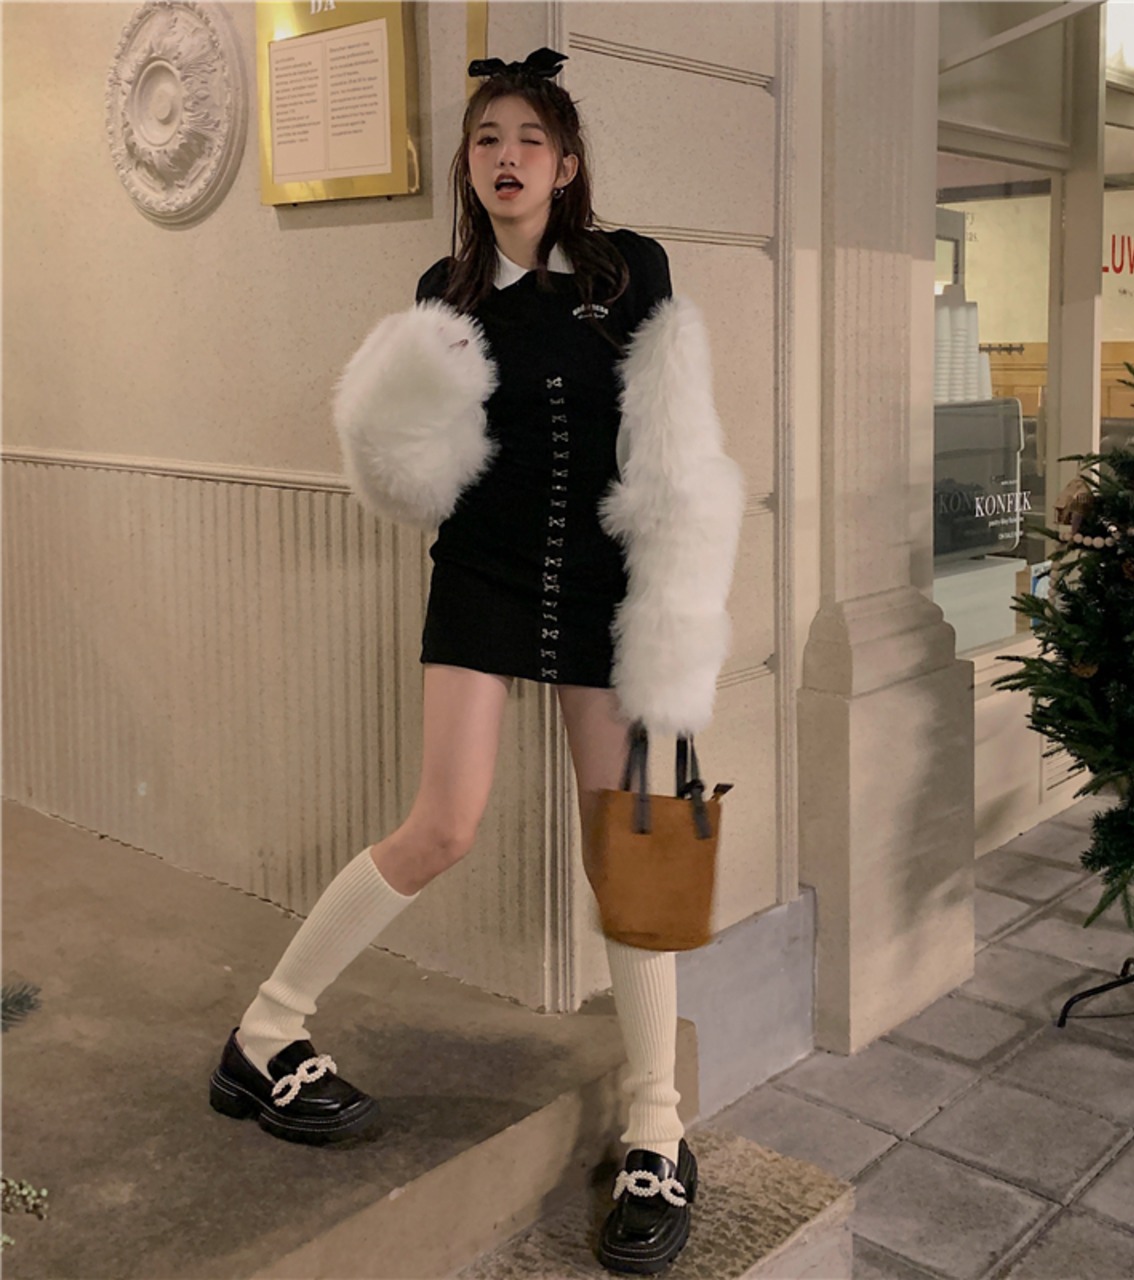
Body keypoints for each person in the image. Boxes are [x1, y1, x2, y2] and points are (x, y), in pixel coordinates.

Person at [208, 47, 743, 1276]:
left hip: (604, 589)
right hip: (484, 577)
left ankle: (656, 1126)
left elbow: (676, 449)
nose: (506, 157)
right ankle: (265, 1031)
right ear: (467, 163)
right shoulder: (441, 291)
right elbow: (411, 472)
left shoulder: (630, 270)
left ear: (566, 164)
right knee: (442, 822)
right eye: (487, 139)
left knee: (628, 845)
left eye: (527, 139)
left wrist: (676, 615)